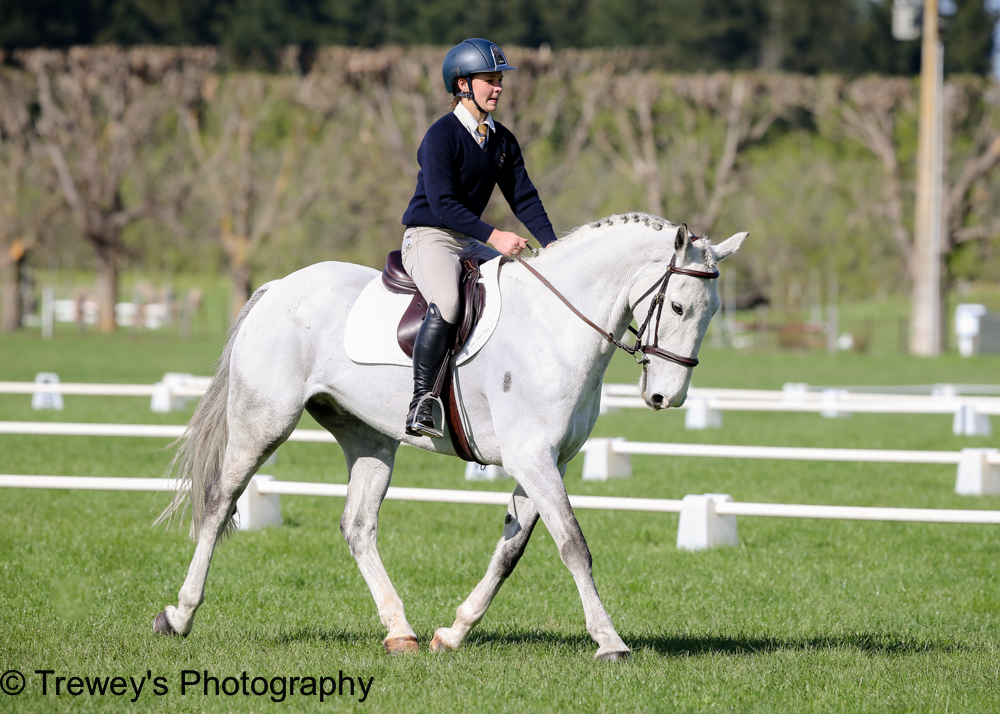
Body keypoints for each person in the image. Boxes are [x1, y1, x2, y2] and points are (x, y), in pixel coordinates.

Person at [401, 38, 558, 438]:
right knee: (450, 303)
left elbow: (524, 197)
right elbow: (441, 205)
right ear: (462, 85)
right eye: (490, 80)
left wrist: (554, 246)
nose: (499, 87)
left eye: (499, 79)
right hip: (430, 236)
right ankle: (422, 400)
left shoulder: (501, 140)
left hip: (469, 238)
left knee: (520, 285)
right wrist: (494, 235)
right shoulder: (441, 136)